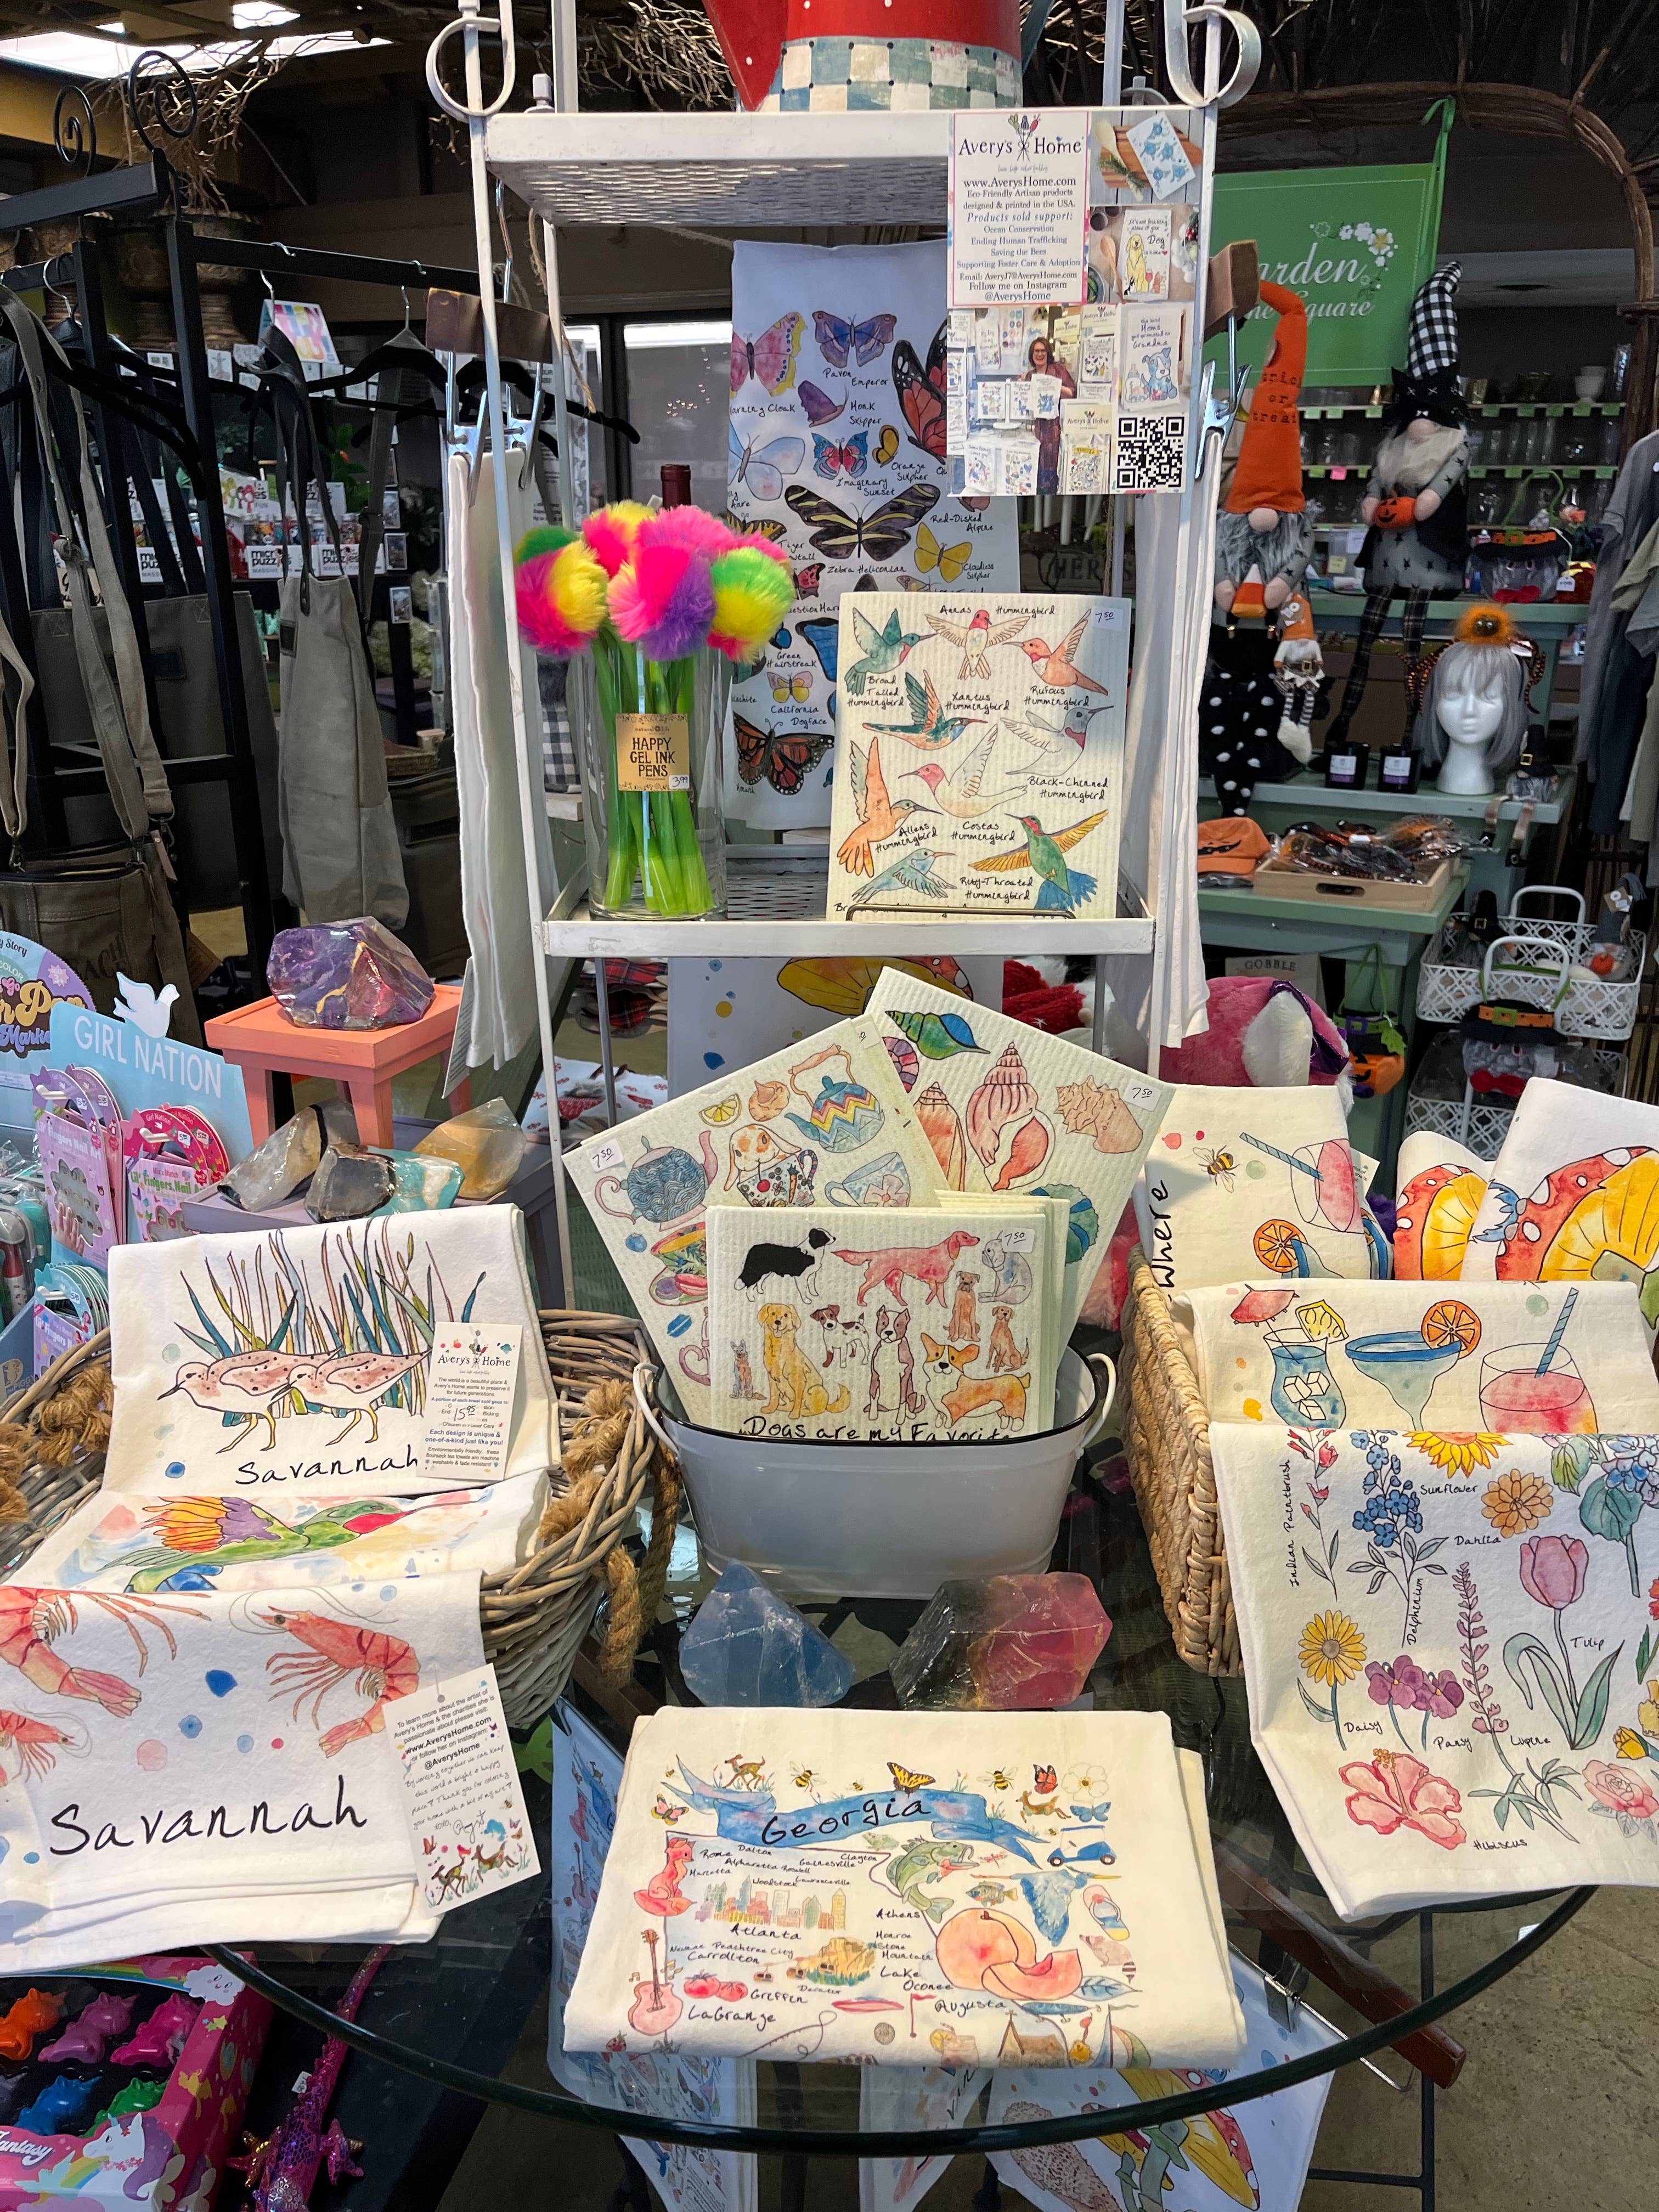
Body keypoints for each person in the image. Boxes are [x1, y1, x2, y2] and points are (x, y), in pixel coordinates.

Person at [1025, 335, 1077, 495]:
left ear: (1048, 353)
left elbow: (1072, 393)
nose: (1040, 354)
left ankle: (1054, 495)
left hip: (1056, 427)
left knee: (1055, 462)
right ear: (1032, 354)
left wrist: (1055, 385)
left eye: (1043, 351)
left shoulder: (1058, 371)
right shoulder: (1030, 376)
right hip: (1038, 428)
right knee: (1038, 461)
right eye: (1036, 351)